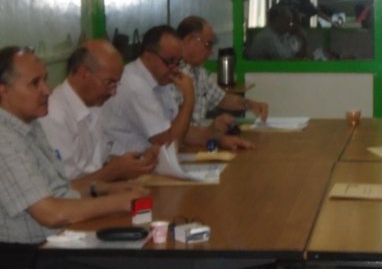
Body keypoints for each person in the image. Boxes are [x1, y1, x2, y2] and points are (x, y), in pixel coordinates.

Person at [0, 45, 152, 269]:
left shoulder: (27, 126)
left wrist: (102, 190)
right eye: (35, 83)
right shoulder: (4, 140)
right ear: (3, 91)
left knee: (147, 265)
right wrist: (118, 204)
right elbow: (50, 213)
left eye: (45, 79)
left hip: (53, 243)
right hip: (25, 257)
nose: (47, 90)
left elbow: (60, 189)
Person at [102, 25, 237, 155]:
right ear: (148, 56)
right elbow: (169, 144)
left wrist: (216, 138)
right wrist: (189, 98)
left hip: (146, 162)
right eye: (170, 61)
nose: (176, 69)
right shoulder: (134, 84)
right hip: (123, 165)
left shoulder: (160, 80)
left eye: (178, 62)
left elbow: (179, 130)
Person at [39, 40, 159, 183]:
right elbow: (64, 187)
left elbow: (99, 162)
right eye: (109, 83)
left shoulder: (94, 104)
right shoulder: (54, 114)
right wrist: (115, 171)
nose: (114, 92)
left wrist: (140, 160)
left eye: (117, 84)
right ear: (84, 73)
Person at [176, 15, 269, 124]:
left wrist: (250, 104)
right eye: (208, 45)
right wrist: (211, 131)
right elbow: (176, 128)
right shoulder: (173, 73)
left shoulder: (199, 72)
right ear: (190, 40)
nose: (211, 52)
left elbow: (222, 99)